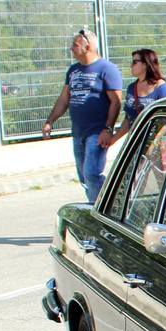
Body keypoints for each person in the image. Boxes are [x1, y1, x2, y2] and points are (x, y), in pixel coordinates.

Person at [42, 28, 123, 202]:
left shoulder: (107, 69)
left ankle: (107, 206)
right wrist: (50, 121)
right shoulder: (73, 71)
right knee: (84, 177)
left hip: (97, 132)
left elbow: (116, 102)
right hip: (79, 132)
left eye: (75, 45)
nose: (71, 49)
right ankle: (96, 204)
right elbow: (64, 99)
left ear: (88, 48)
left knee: (91, 173)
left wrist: (108, 129)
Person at [101, 48, 166, 150]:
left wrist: (152, 144)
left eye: (134, 62)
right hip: (138, 141)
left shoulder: (161, 87)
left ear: (145, 64)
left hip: (159, 144)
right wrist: (112, 140)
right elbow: (129, 119)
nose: (131, 66)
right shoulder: (131, 88)